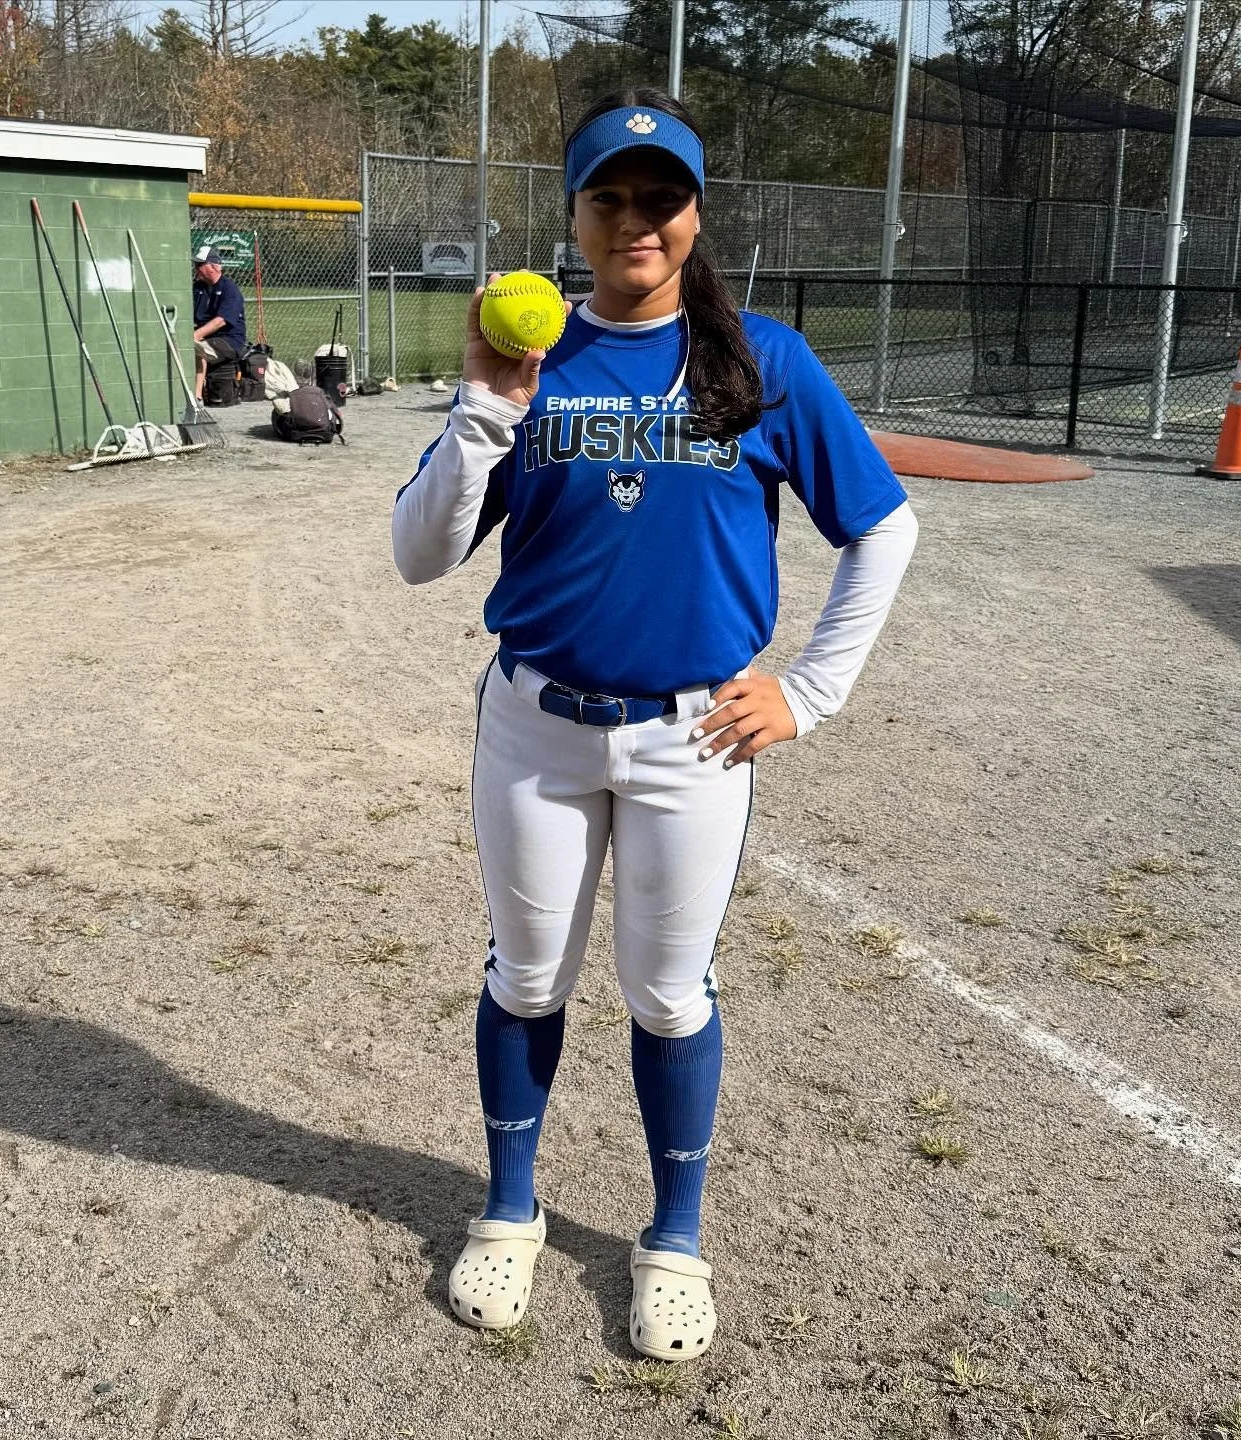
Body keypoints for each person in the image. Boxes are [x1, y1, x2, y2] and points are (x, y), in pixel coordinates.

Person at [391, 88, 918, 1362]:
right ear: (572, 212)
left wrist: (808, 689)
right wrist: (482, 407)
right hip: (537, 727)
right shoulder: (533, 359)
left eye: (661, 197)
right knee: (527, 976)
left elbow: (884, 528)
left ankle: (672, 1237)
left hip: (695, 741)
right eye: (609, 196)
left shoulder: (761, 364)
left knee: (669, 995)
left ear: (695, 213)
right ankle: (510, 1211)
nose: (637, 220)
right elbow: (419, 557)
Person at [191, 245, 246, 399]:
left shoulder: (230, 289)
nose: (196, 268)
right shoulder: (198, 288)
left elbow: (221, 321)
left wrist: (194, 335)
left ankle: (197, 398)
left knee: (198, 349)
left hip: (229, 340)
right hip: (206, 336)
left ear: (213, 267)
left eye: (200, 265)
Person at [271, 359, 344, 445]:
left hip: (294, 433)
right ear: (311, 376)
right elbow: (336, 413)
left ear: (293, 374)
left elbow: (281, 409)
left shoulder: (290, 393)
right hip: (324, 434)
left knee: (276, 412)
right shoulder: (319, 392)